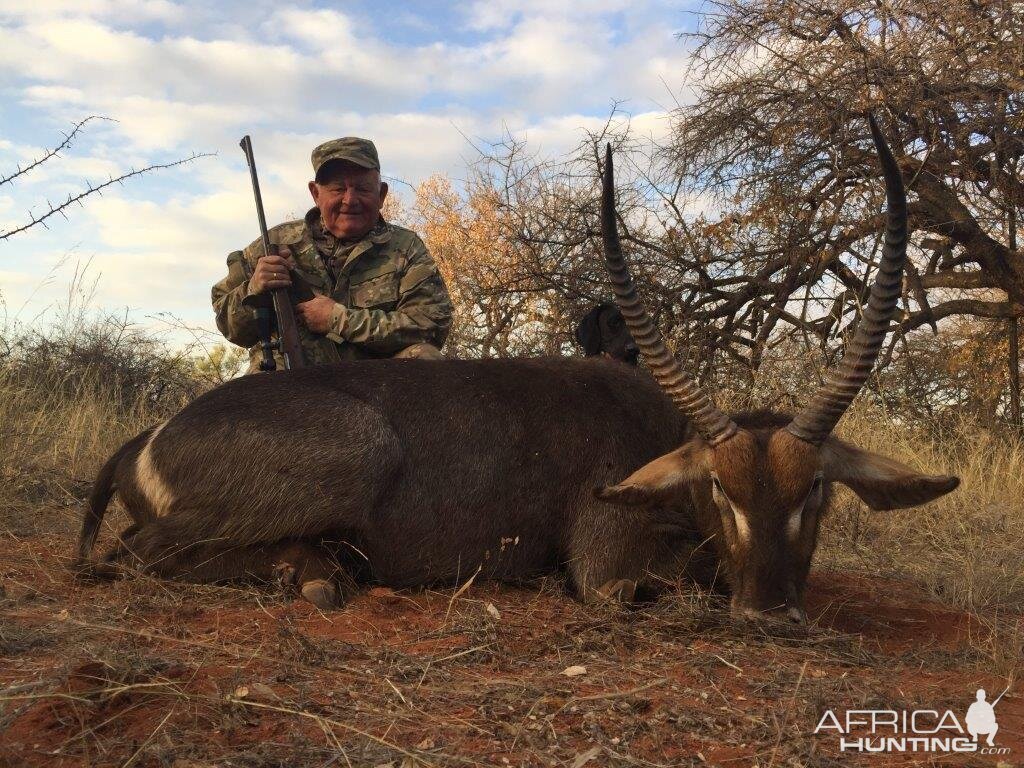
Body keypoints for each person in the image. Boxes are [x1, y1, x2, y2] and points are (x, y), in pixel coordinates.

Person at [212, 137, 452, 371]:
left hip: (376, 387)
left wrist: (339, 320)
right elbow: (229, 327)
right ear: (315, 193)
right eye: (338, 189)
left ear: (381, 195)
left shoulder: (407, 247)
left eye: (363, 188)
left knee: (425, 359)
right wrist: (253, 289)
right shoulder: (273, 245)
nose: (350, 200)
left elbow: (431, 326)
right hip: (289, 386)